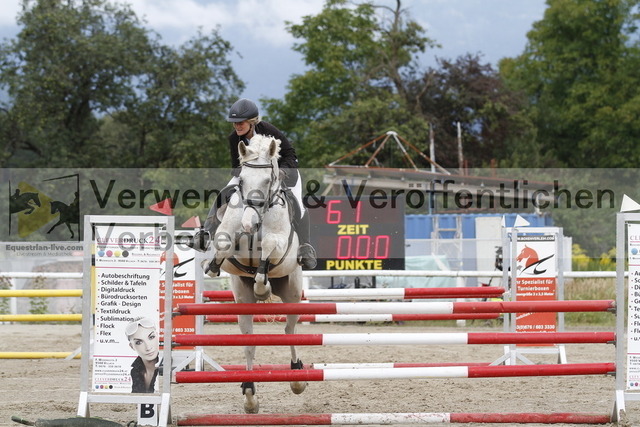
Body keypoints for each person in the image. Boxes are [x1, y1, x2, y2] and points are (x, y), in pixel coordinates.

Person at [191, 98, 317, 271]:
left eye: (240, 122)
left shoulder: (268, 131)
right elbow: (235, 166)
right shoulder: (234, 138)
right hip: (251, 175)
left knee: (297, 203)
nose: (237, 126)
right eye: (234, 123)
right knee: (224, 193)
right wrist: (250, 174)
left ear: (252, 122)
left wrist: (282, 172)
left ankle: (305, 246)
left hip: (284, 173)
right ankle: (206, 233)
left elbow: (290, 155)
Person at [125, 317, 160, 393]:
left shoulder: (168, 368)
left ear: (157, 336)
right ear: (132, 346)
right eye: (139, 342)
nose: (148, 347)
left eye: (151, 337)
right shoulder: (135, 372)